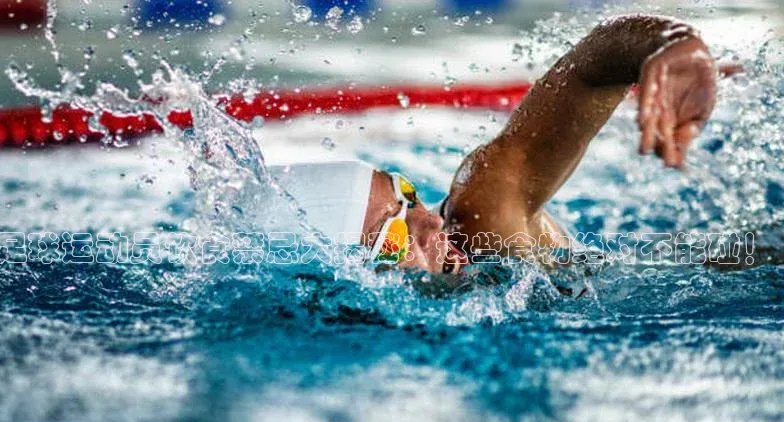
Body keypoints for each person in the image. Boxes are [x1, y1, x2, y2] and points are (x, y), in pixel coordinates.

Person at [279, 14, 720, 274]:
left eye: (407, 199)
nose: (431, 226)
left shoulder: (480, 220)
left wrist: (675, 43)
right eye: (393, 238)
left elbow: (587, 74)